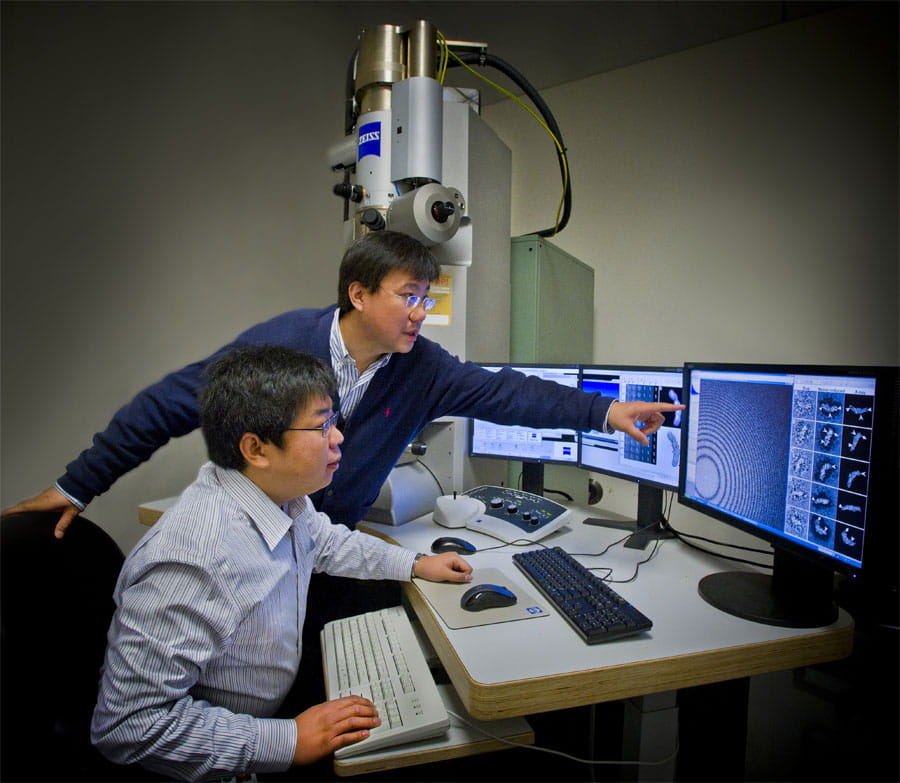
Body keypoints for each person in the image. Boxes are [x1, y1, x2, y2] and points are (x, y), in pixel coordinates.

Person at [4, 230, 681, 540]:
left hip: (327, 548)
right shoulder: (283, 344)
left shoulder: (426, 367)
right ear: (358, 292)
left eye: (427, 297)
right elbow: (172, 402)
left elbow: (506, 392)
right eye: (408, 294)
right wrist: (77, 485)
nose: (421, 310)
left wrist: (607, 410)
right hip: (250, 548)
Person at [90, 345, 473, 782]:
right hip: (223, 759)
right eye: (321, 425)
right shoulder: (195, 559)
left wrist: (416, 563)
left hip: (266, 708)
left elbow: (325, 542)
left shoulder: (278, 497)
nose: (338, 437)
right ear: (256, 448)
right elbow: (127, 726)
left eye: (334, 420)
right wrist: (289, 741)